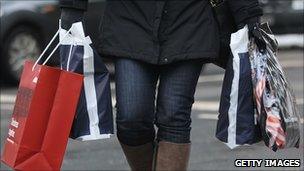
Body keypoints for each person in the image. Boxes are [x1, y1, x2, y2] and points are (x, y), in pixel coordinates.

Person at [59, 0, 263, 170]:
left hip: (190, 22)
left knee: (174, 115)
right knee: (131, 119)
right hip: (129, 21)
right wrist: (72, 8)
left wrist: (249, 15)